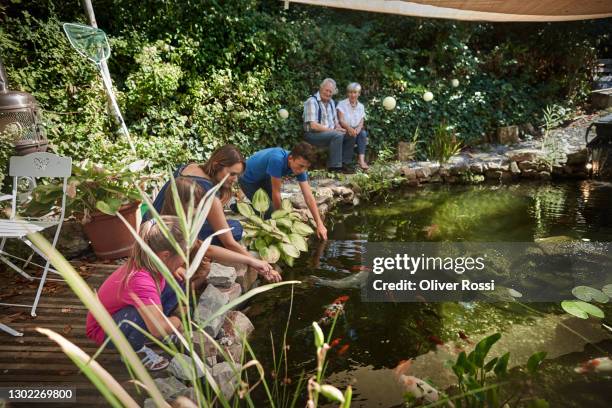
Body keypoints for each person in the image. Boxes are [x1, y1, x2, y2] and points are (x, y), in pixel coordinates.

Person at [86, 216, 205, 371]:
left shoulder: (151, 262)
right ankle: (135, 352)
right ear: (165, 255)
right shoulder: (140, 280)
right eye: (183, 255)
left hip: (125, 312)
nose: (185, 260)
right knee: (139, 316)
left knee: (176, 281)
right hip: (106, 329)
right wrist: (178, 322)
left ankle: (157, 332)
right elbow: (157, 328)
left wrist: (177, 268)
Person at [144, 144, 278, 282]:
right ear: (216, 165)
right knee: (235, 228)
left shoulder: (191, 167)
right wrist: (253, 261)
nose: (236, 179)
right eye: (232, 174)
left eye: (238, 175)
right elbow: (227, 243)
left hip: (150, 223)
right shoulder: (209, 192)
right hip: (166, 235)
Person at [160, 176, 281, 282]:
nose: (201, 211)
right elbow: (206, 250)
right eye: (196, 206)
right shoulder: (168, 229)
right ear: (179, 204)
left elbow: (206, 249)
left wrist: (251, 261)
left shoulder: (183, 225)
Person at [239, 142, 328, 240]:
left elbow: (308, 196)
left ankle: (248, 205)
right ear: (290, 158)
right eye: (301, 166)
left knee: (272, 207)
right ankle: (239, 207)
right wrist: (282, 221)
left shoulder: (300, 165)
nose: (303, 170)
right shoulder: (277, 160)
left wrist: (319, 224)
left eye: (306, 167)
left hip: (264, 177)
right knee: (269, 215)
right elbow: (276, 194)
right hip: (247, 179)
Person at [303, 78, 355, 173]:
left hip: (330, 134)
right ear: (321, 88)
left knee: (350, 134)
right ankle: (334, 167)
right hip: (313, 135)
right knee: (337, 135)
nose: (328, 93)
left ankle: (345, 163)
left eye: (330, 92)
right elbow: (313, 125)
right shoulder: (312, 101)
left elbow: (335, 122)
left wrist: (339, 128)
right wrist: (333, 131)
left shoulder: (331, 102)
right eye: (326, 90)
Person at [337, 82, 368, 170]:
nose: (353, 95)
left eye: (355, 92)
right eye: (350, 92)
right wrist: (349, 129)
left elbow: (362, 120)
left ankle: (361, 161)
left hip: (356, 129)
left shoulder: (361, 106)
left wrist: (358, 129)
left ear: (359, 94)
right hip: (344, 129)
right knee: (351, 135)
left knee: (363, 134)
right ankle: (346, 162)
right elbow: (341, 120)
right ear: (347, 93)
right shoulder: (342, 104)